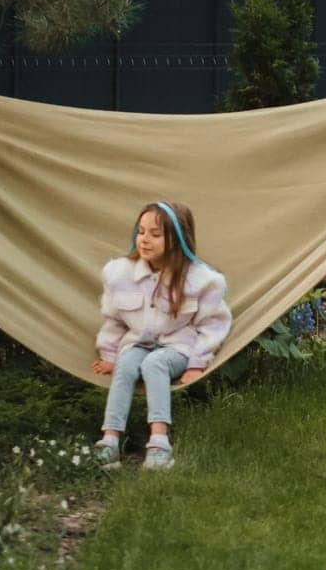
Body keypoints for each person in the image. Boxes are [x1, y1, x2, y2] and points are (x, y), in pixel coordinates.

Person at [92, 201, 231, 469]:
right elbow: (114, 320)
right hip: (138, 342)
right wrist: (109, 354)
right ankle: (109, 440)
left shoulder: (201, 280)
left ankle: (159, 443)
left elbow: (212, 325)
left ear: (178, 239)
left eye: (155, 234)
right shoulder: (120, 274)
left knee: (154, 364)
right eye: (141, 232)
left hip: (178, 347)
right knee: (126, 364)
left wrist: (196, 363)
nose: (144, 240)